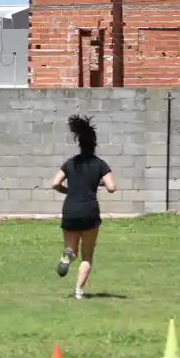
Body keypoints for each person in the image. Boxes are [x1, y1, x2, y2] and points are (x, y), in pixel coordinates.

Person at [51, 114, 116, 299]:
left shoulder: (71, 163)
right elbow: (112, 187)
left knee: (71, 248)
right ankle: (79, 291)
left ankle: (68, 256)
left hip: (70, 209)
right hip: (89, 211)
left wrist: (68, 191)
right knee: (87, 256)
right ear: (94, 144)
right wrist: (99, 183)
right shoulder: (100, 164)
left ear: (79, 144)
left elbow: (54, 183)